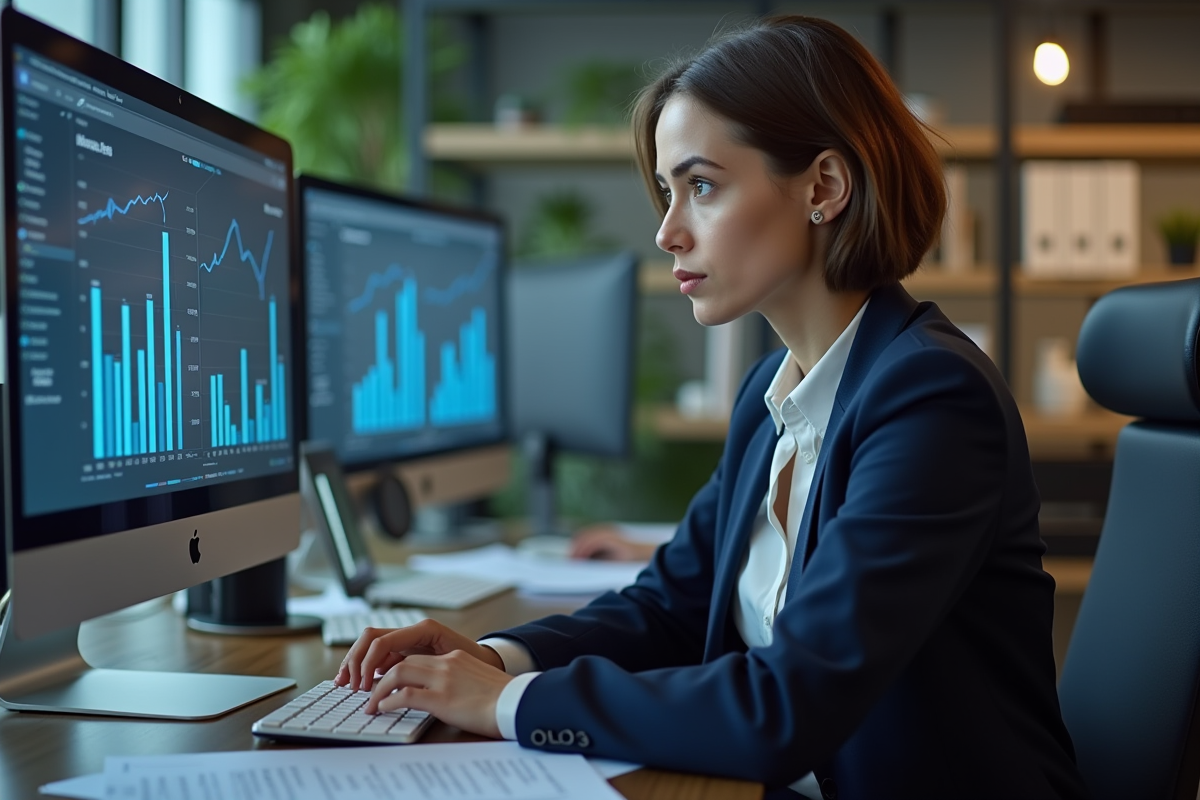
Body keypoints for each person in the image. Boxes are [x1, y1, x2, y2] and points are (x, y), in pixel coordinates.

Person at [337, 15, 1087, 800]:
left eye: (701, 186)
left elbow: (789, 702)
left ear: (823, 188)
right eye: (668, 192)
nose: (668, 232)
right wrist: (495, 658)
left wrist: (508, 704)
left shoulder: (931, 398)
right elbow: (670, 606)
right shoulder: (769, 399)